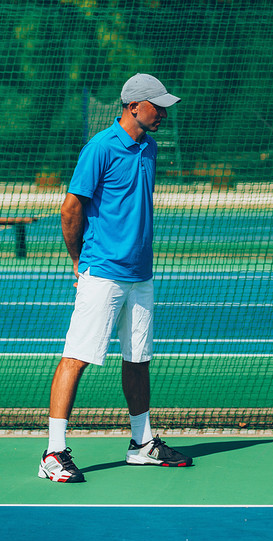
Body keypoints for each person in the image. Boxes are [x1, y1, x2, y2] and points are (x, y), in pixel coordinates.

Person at [38, 74, 192, 483]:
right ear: (133, 106)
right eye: (157, 105)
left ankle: (142, 445)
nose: (163, 113)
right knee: (77, 357)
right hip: (102, 273)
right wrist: (79, 262)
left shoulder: (149, 147)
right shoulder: (101, 148)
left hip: (140, 275)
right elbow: (70, 209)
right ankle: (53, 453)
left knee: (138, 359)